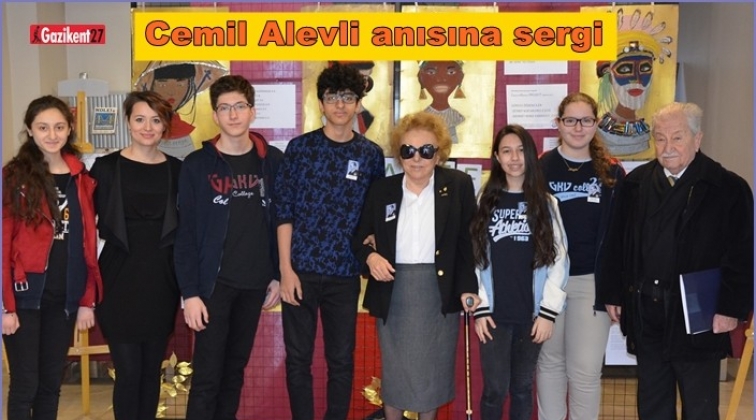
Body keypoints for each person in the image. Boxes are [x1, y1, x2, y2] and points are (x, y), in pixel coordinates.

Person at [601, 102, 754, 420]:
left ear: (697, 139)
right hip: (646, 310)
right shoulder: (635, 184)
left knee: (699, 406)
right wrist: (614, 293)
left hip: (698, 315)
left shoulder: (727, 188)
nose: (667, 147)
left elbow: (742, 255)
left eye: (677, 137)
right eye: (660, 138)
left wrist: (730, 309)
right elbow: (617, 242)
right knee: (652, 402)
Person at [352, 112, 480, 420]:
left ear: (439, 153)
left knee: (432, 372)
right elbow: (359, 237)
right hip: (394, 291)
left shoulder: (458, 185)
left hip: (439, 292)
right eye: (408, 150)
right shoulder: (382, 190)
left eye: (426, 150)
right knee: (396, 372)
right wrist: (371, 257)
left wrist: (468, 287)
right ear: (399, 155)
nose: (417, 158)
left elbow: (468, 242)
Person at [276, 62, 385, 420]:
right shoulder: (300, 149)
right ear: (321, 102)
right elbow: (283, 213)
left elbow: (374, 217)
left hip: (344, 274)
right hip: (301, 272)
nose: (340, 104)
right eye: (333, 97)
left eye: (348, 97)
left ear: (358, 103)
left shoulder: (370, 155)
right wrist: (285, 270)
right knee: (298, 359)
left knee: (341, 360)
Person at [173, 75, 283, 420]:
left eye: (239, 106)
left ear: (252, 111)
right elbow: (185, 234)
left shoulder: (272, 161)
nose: (233, 115)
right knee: (207, 376)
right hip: (213, 287)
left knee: (234, 372)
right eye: (224, 108)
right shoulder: (197, 165)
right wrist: (190, 293)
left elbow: (283, 222)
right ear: (215, 115)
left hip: (254, 284)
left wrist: (278, 274)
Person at [2, 95, 102, 420]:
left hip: (64, 297)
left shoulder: (80, 176)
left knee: (50, 384)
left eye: (59, 127)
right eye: (43, 127)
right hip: (24, 296)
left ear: (70, 128)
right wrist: (5, 307)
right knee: (25, 384)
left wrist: (86, 299)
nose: (52, 134)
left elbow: (88, 243)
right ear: (30, 130)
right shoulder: (14, 177)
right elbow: (3, 242)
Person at [89, 91, 182, 420]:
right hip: (117, 281)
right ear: (128, 122)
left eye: (156, 120)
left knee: (150, 372)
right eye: (140, 119)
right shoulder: (105, 168)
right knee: (128, 372)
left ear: (165, 126)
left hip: (161, 282)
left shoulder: (178, 170)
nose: (147, 127)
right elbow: (86, 229)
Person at [536, 92, 626, 420]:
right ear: (558, 124)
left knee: (585, 369)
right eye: (570, 120)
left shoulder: (612, 173)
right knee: (550, 362)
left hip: (591, 282)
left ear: (596, 123)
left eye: (586, 120)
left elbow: (621, 236)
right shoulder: (540, 167)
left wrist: (617, 289)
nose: (578, 127)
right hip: (548, 282)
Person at [470, 124, 569, 420]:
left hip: (531, 316)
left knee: (523, 388)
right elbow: (473, 258)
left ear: (531, 155)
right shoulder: (484, 200)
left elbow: (560, 260)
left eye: (520, 150)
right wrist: (480, 308)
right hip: (493, 317)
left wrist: (548, 313)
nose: (514, 158)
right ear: (497, 157)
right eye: (506, 151)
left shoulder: (546, 203)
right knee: (494, 390)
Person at [417, 60, 466, 144]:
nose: (441, 79)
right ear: (421, 78)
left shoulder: (457, 116)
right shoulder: (422, 117)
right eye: (431, 72)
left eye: (451, 72)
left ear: (460, 78)